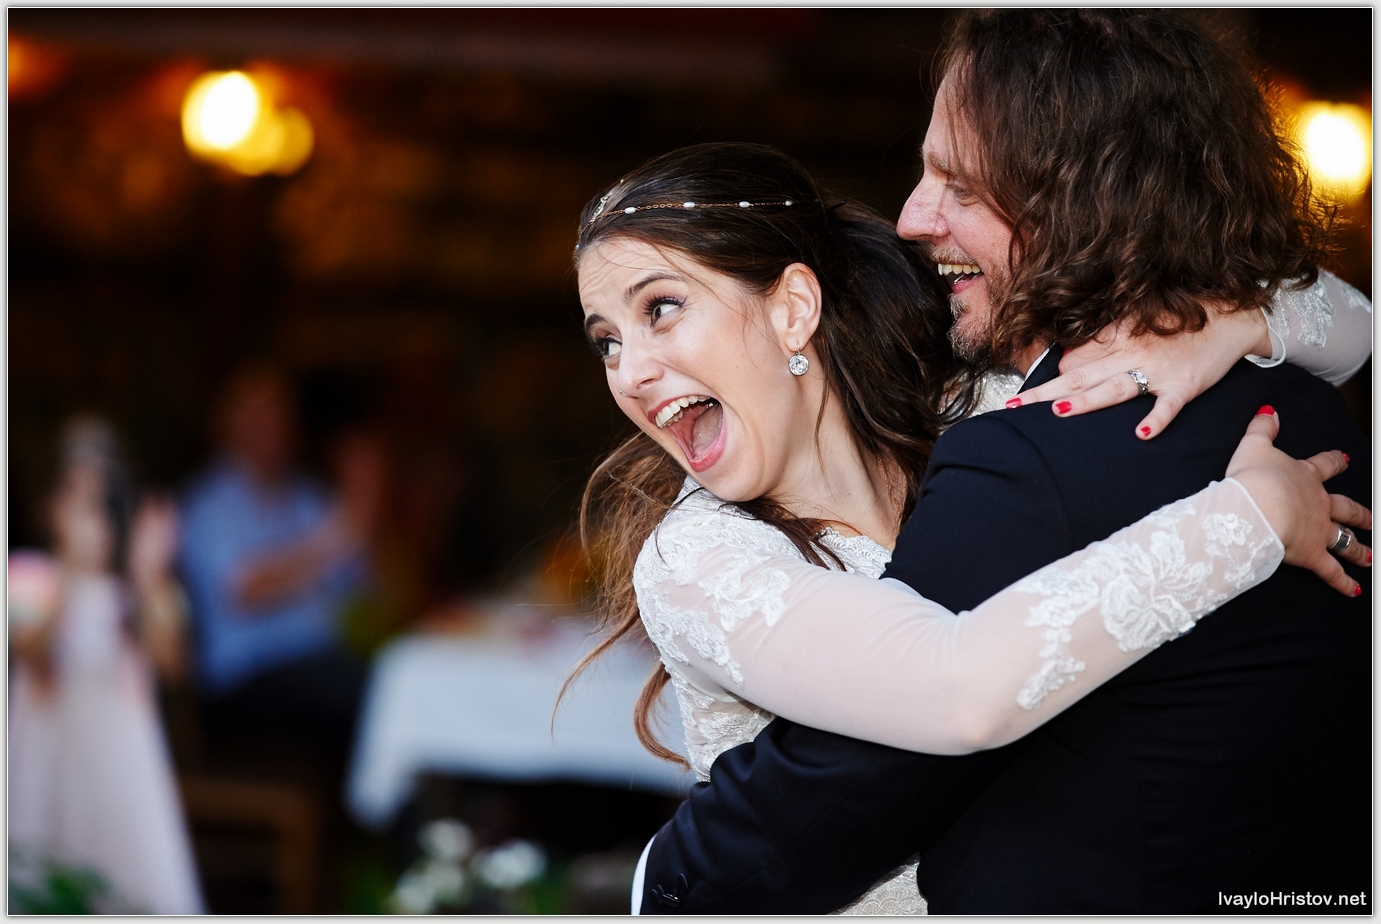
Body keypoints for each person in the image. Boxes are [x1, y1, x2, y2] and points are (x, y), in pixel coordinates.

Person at [628, 11, 1372, 913]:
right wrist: (1241, 319)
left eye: (961, 186)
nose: (911, 218)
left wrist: (662, 884)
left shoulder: (1026, 456)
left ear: (1087, 203)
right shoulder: (1306, 404)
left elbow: (851, 785)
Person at [8, 417, 204, 914]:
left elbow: (173, 664)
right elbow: (30, 650)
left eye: (107, 502)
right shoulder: (28, 577)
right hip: (51, 769)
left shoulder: (139, 593)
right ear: (52, 507)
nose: (97, 518)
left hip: (124, 775)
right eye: (82, 501)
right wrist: (72, 574)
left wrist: (149, 574)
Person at [179, 362, 374, 764]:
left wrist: (367, 502)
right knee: (364, 697)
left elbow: (358, 587)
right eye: (255, 412)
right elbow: (245, 590)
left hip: (321, 664)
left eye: (277, 410)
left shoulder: (306, 497)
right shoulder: (209, 504)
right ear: (227, 423)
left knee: (392, 682)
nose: (269, 423)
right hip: (246, 685)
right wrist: (333, 539)